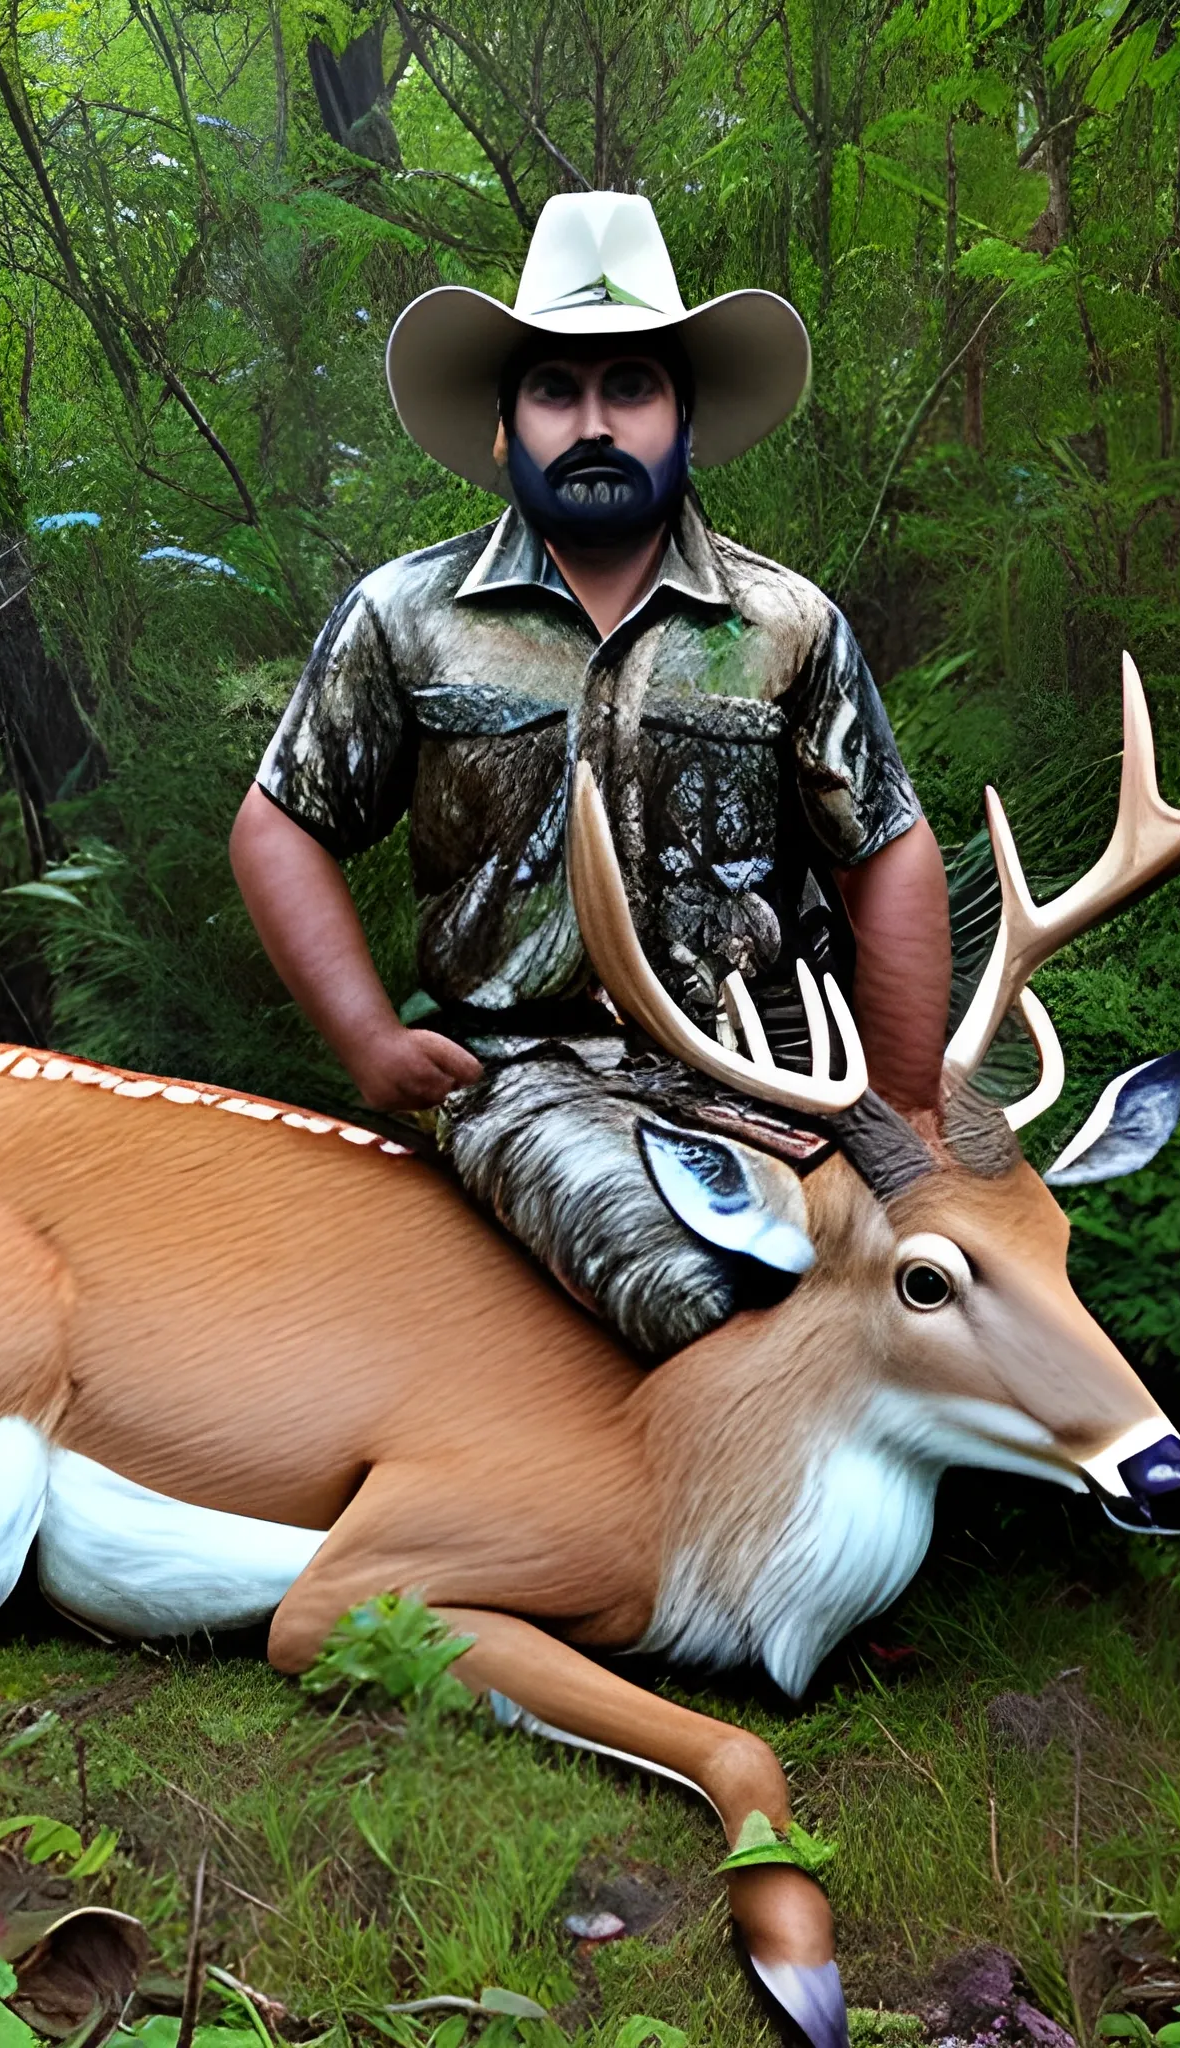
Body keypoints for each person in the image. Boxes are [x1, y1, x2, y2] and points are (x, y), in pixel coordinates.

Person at [231, 191, 950, 1358]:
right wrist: (365, 1034)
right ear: (505, 427)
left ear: (686, 418)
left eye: (630, 387)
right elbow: (279, 825)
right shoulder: (406, 617)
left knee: (958, 1253)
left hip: (772, 1072)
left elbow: (886, 847)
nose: (594, 423)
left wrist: (903, 1106)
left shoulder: (785, 625)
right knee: (705, 1286)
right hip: (528, 1074)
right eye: (557, 390)